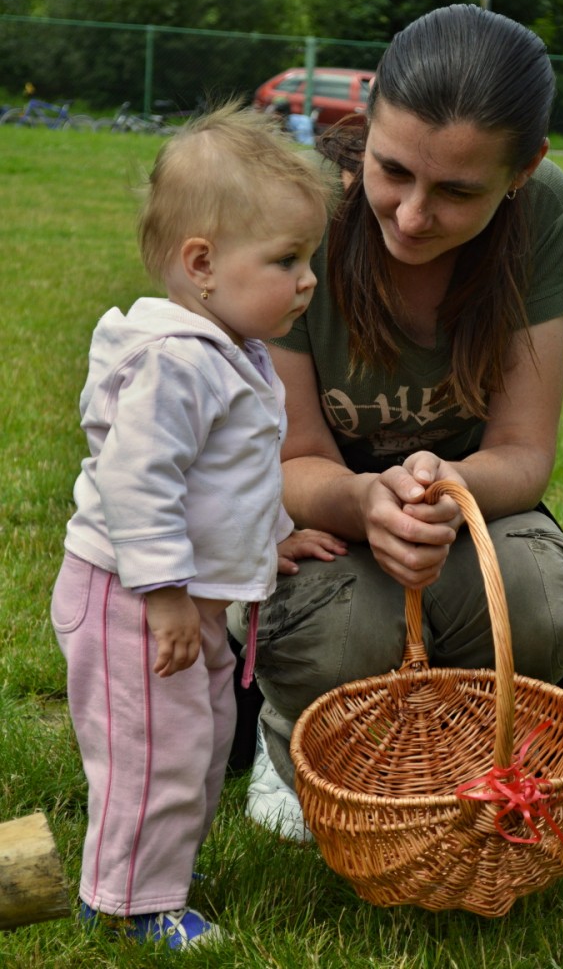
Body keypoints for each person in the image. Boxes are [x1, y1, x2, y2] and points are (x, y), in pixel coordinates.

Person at [227, 4, 563, 841]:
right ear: (365, 122)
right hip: (317, 513)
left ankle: (466, 741)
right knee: (342, 636)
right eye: (392, 170)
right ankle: (288, 733)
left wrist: (443, 488)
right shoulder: (298, 208)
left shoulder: (544, 211)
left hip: (467, 509)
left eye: (456, 191)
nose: (411, 215)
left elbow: (521, 451)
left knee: (542, 606)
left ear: (522, 171)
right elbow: (292, 459)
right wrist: (363, 500)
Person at [50, 101, 345, 949]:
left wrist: (268, 536)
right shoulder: (175, 361)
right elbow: (137, 481)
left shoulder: (230, 351)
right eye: (285, 259)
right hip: (136, 600)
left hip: (184, 602)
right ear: (202, 263)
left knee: (202, 740)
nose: (307, 280)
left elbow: (228, 478)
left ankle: (155, 871)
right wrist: (166, 593)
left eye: (309, 258)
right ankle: (126, 905)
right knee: (156, 751)